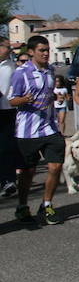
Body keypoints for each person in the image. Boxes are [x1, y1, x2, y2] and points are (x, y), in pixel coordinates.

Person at [7, 35, 65, 224]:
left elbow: (48, 94)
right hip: (27, 131)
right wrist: (24, 100)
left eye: (48, 50)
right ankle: (22, 206)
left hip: (49, 127)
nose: (46, 54)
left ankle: (46, 204)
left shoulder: (50, 70)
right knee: (27, 172)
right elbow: (11, 100)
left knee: (55, 166)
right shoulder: (20, 73)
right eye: (42, 50)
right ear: (31, 52)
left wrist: (55, 100)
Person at [0, 36, 20, 198]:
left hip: (8, 110)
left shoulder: (12, 66)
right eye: (7, 47)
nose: (10, 50)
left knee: (7, 146)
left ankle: (9, 180)